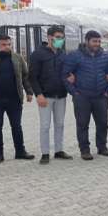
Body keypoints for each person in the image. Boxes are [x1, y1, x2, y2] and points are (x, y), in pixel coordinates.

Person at [63, 30, 108, 160]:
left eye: (99, 41)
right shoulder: (75, 56)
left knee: (102, 123)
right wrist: (74, 93)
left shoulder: (105, 56)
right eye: (94, 41)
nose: (97, 44)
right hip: (82, 97)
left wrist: (107, 92)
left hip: (100, 96)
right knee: (82, 124)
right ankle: (84, 150)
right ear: (87, 41)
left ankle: (102, 147)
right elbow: (65, 75)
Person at [0, 34, 34, 165]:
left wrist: (29, 92)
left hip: (14, 99)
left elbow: (25, 76)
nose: (7, 47)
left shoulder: (17, 58)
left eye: (9, 44)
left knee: (17, 126)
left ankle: (20, 151)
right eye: (3, 44)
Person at [29, 26, 72, 164]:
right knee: (45, 125)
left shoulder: (62, 54)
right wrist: (38, 95)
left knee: (60, 124)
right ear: (49, 37)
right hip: (45, 96)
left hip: (61, 95)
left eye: (62, 37)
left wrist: (71, 77)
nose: (60, 40)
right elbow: (32, 77)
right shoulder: (38, 54)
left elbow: (66, 72)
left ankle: (58, 150)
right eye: (58, 37)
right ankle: (45, 153)